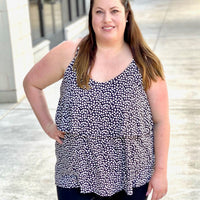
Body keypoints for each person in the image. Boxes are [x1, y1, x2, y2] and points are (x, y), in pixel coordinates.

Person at [23, 0, 170, 199]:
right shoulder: (69, 53)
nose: (107, 19)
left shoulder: (145, 63)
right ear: (91, 16)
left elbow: (161, 121)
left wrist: (160, 171)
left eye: (114, 11)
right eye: (99, 11)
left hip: (132, 178)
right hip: (75, 176)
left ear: (126, 15)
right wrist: (48, 125)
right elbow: (31, 83)